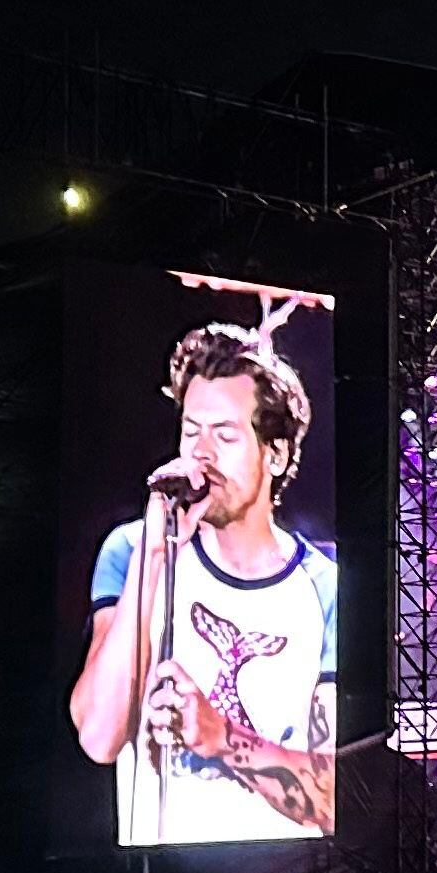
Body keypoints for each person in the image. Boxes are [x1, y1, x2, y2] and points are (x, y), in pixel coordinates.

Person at [66, 319, 336, 843]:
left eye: (226, 435)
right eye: (192, 432)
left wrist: (219, 736)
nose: (202, 455)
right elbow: (99, 737)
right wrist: (155, 553)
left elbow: (336, 799)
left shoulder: (324, 587)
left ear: (275, 453)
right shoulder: (132, 549)